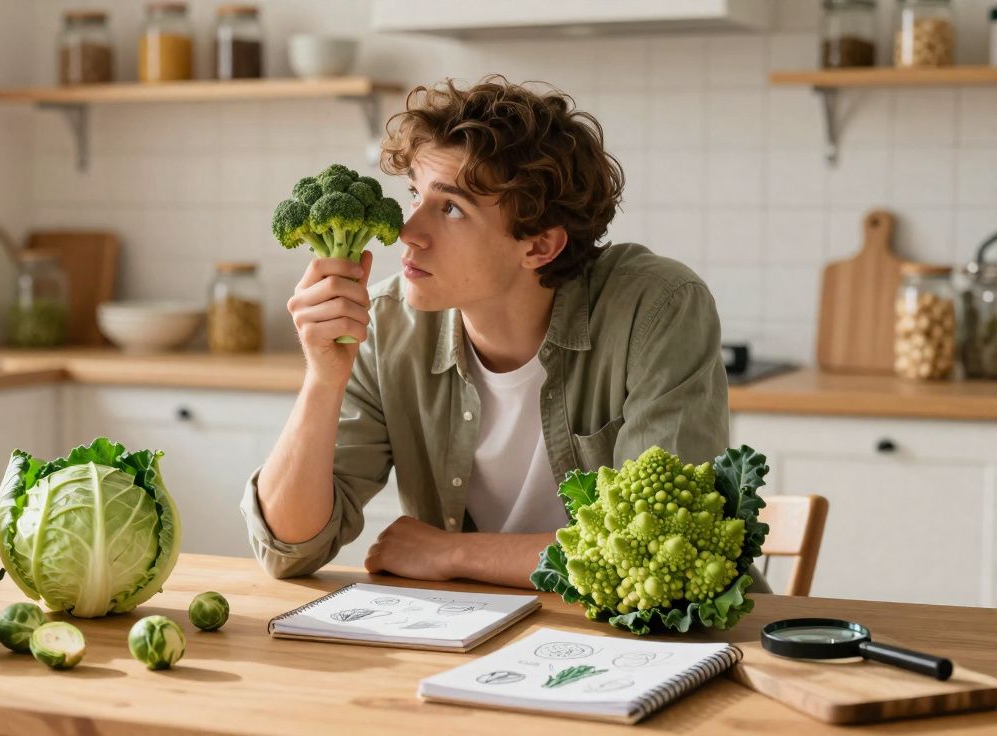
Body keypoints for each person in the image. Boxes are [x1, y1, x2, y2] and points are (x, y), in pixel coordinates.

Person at [240, 76, 769, 593]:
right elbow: (290, 549)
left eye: (449, 208)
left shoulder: (655, 308)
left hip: (666, 648)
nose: (408, 231)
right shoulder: (387, 324)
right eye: (415, 196)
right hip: (478, 642)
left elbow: (660, 550)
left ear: (539, 247)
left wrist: (453, 553)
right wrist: (323, 378)